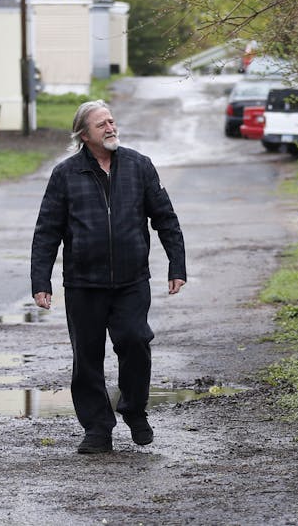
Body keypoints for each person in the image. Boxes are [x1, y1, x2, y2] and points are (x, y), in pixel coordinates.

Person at [31, 100, 187, 455]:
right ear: (84, 135)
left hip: (132, 281)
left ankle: (133, 408)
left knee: (135, 342)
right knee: (87, 359)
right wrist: (41, 281)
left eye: (112, 121)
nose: (111, 127)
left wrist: (177, 265)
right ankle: (98, 429)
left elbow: (165, 218)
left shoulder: (139, 166)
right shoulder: (65, 174)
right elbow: (47, 231)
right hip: (84, 284)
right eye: (102, 124)